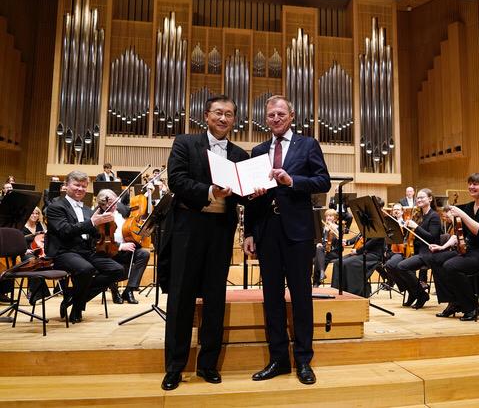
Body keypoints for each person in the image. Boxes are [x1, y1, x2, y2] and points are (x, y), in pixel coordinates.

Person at [160, 95, 249, 391]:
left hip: (221, 231)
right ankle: (175, 366)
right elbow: (177, 180)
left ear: (235, 120)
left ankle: (208, 364)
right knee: (181, 297)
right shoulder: (185, 143)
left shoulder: (239, 153)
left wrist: (253, 190)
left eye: (230, 115)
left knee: (215, 298)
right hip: (188, 227)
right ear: (206, 115)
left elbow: (242, 193)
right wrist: (210, 190)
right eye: (219, 113)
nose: (224, 119)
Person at [243, 95, 330, 386]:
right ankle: (278, 359)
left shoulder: (308, 144)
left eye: (281, 113)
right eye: (270, 115)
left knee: (302, 297)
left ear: (291, 115)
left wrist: (291, 181)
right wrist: (250, 233)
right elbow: (251, 200)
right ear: (265, 119)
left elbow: (323, 181)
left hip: (298, 232)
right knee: (272, 298)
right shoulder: (257, 150)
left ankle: (304, 360)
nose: (276, 119)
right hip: (267, 231)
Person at [44, 170, 125, 324]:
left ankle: (72, 296)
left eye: (83, 186)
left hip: (86, 251)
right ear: (66, 185)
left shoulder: (88, 210)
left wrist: (103, 224)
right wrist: (93, 223)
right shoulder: (56, 207)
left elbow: (93, 234)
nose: (80, 189)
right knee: (86, 269)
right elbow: (65, 231)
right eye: (76, 185)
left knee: (117, 270)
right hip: (64, 251)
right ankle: (77, 309)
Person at [430, 173, 479, 321]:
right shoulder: (470, 206)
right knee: (436, 259)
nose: (471, 187)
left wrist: (462, 215)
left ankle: (472, 307)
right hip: (475, 251)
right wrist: (443, 247)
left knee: (452, 266)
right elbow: (460, 234)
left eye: (476, 184)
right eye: (470, 183)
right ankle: (455, 302)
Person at [385, 189, 441, 309]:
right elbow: (410, 236)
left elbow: (432, 238)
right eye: (418, 198)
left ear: (430, 199)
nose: (419, 200)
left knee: (402, 267)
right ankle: (412, 292)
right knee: (390, 265)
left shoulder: (434, 216)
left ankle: (421, 295)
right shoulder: (418, 215)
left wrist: (416, 227)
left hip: (428, 252)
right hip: (413, 250)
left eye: (422, 197)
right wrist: (405, 227)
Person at [95, 189, 149, 305]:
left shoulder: (120, 210)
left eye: (115, 202)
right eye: (111, 204)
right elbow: (100, 242)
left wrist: (139, 232)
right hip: (110, 252)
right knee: (106, 257)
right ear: (102, 204)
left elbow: (134, 218)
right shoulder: (98, 216)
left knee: (144, 254)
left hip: (126, 248)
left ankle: (129, 290)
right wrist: (121, 246)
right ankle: (114, 291)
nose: (114, 206)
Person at [313, 209, 341, 287]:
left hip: (334, 251)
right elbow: (320, 239)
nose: (328, 218)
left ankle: (316, 283)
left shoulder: (339, 227)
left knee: (317, 259)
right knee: (319, 250)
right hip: (323, 250)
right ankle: (321, 273)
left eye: (330, 216)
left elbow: (339, 238)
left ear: (335, 218)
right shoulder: (324, 227)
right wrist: (319, 243)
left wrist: (333, 229)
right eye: (327, 216)